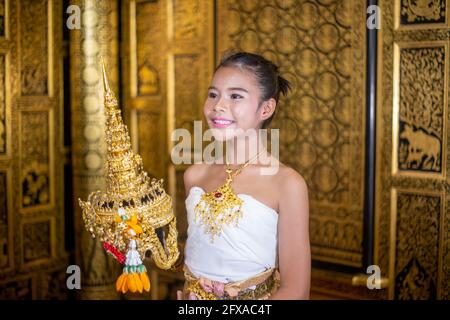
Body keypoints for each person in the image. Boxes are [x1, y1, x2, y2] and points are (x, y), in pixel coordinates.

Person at [177, 52, 310, 300]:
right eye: (213, 94)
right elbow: (196, 264)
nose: (218, 106)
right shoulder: (195, 175)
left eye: (235, 96)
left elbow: (296, 291)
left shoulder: (286, 183)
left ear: (266, 108)